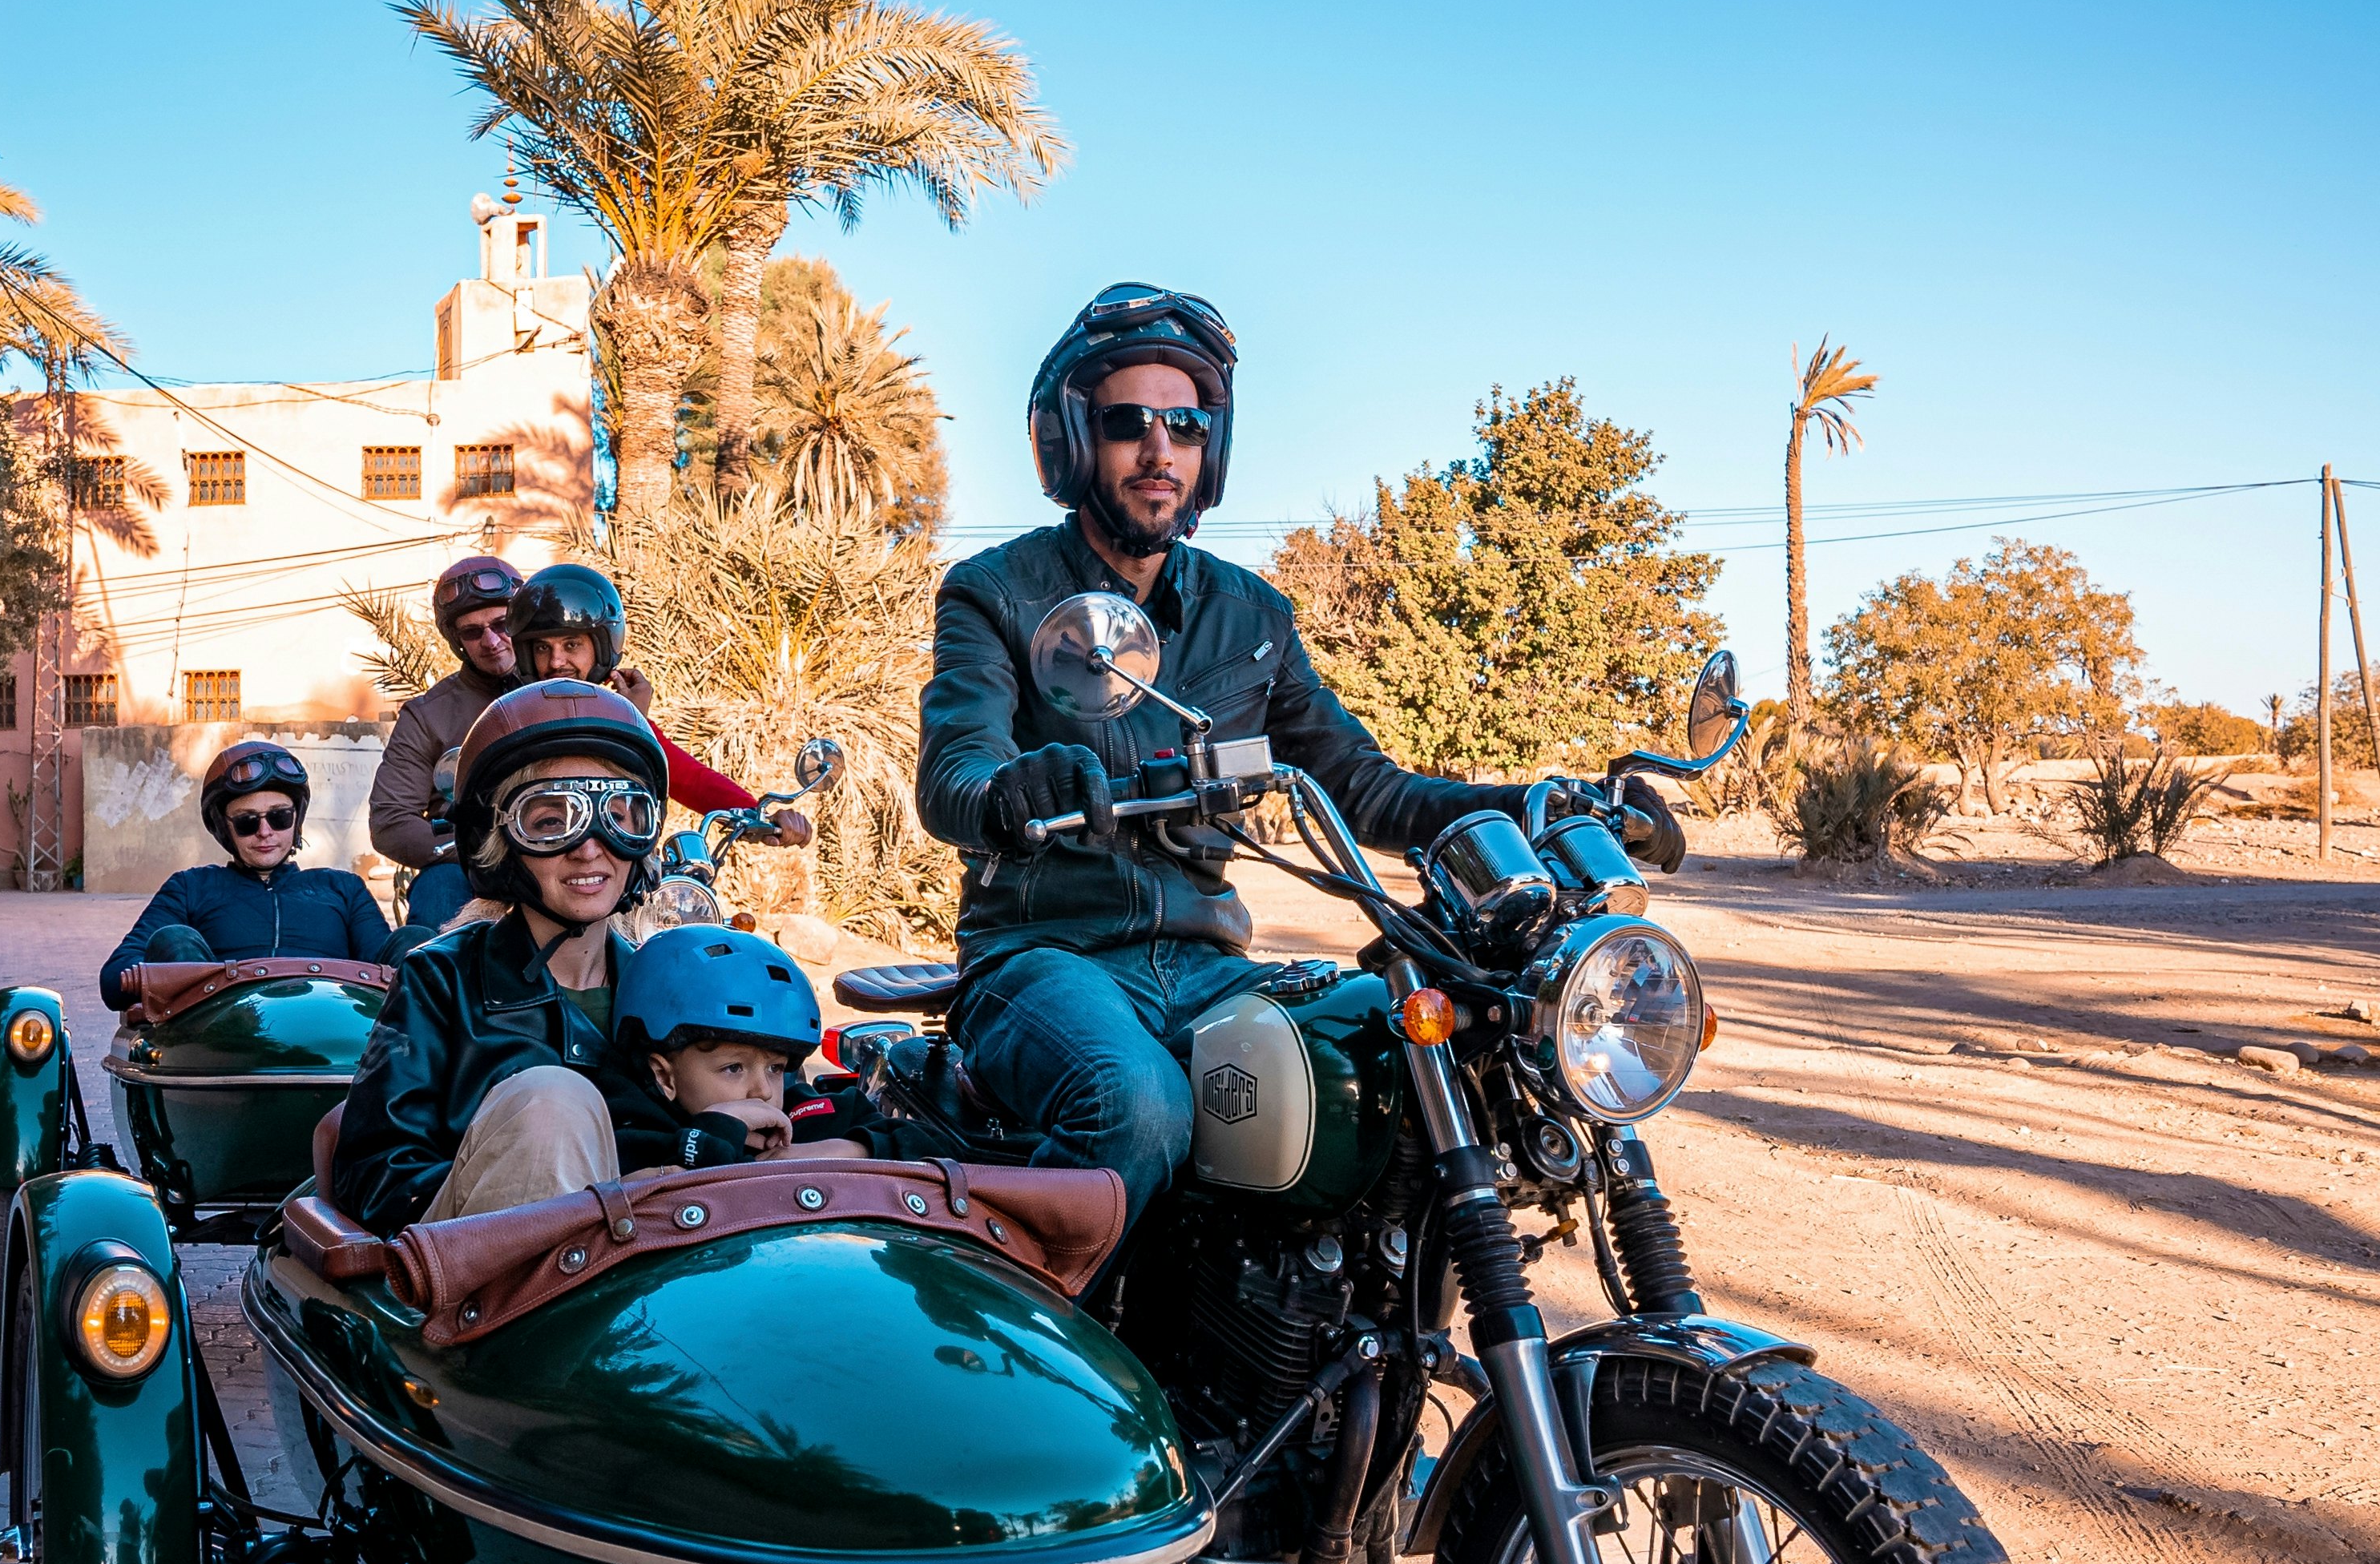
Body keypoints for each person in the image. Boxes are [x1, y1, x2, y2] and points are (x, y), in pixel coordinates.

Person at [911, 283, 1684, 1225]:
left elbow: (1360, 783)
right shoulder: (998, 591)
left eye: (1186, 425)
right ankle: (1062, 1365)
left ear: (1212, 448)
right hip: (1042, 957)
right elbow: (954, 773)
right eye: (1128, 422)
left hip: (1204, 960)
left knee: (1390, 1056)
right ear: (1072, 439)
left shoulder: (1251, 617)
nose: (1161, 451)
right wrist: (1012, 790)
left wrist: (1549, 800)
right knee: (1136, 1105)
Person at [329, 681, 737, 1231]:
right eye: (549, 822)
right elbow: (373, 1178)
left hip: (662, 1276)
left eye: (620, 816)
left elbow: (779, 1108)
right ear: (497, 842)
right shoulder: (440, 977)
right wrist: (602, 1195)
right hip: (483, 1281)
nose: (590, 846)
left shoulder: (680, 981)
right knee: (551, 1098)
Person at [504, 563, 813, 847]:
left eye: (571, 645)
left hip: (619, 868)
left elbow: (687, 778)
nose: (556, 661)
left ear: (601, 647)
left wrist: (755, 815)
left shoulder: (623, 715)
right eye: (543, 647)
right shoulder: (512, 719)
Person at [101, 741, 395, 1010]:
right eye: (246, 821)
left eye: (280, 817)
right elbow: (115, 978)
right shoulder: (191, 887)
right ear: (224, 826)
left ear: (297, 818)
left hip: (333, 1032)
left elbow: (390, 966)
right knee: (174, 938)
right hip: (222, 1039)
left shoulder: (343, 887)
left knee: (415, 943)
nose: (264, 832)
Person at [615, 923, 873, 1167]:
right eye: (734, 1068)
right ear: (664, 1076)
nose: (763, 1092)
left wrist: (846, 1150)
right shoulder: (630, 1128)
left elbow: (909, 1134)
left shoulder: (794, 1113)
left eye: (776, 1069)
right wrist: (720, 1130)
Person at [368, 554, 526, 933]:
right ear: (457, 642)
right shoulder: (428, 715)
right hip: (466, 869)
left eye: (502, 624)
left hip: (565, 853)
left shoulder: (563, 687)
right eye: (472, 632)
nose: (491, 641)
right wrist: (475, 851)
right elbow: (390, 821)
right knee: (436, 898)